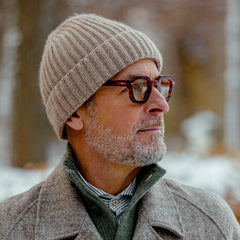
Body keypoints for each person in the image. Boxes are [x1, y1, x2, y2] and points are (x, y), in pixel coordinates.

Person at [0, 14, 239, 240]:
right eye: (137, 87)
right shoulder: (10, 228)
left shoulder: (210, 221)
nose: (161, 105)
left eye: (160, 85)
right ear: (74, 113)